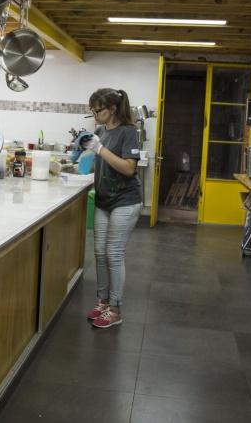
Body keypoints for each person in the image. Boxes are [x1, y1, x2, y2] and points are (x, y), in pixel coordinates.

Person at [83, 88, 143, 329]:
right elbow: (98, 165)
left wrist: (100, 150)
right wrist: (84, 155)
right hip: (104, 199)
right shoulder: (100, 131)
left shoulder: (129, 132)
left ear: (112, 109)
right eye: (93, 111)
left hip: (125, 201)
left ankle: (115, 309)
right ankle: (103, 301)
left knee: (113, 253)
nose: (94, 115)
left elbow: (129, 169)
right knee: (99, 252)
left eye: (98, 110)